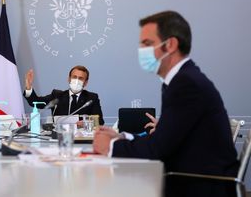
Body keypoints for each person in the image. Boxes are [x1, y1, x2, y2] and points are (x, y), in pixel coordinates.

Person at [93, 11, 238, 178]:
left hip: (201, 185)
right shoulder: (180, 79)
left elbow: (158, 148)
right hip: (188, 177)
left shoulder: (187, 84)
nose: (141, 50)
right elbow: (163, 139)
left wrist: (111, 147)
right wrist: (122, 137)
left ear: (170, 45)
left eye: (147, 43)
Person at [23, 65, 104, 125]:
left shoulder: (91, 98)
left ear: (85, 83)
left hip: (81, 138)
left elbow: (100, 121)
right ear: (69, 79)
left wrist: (86, 123)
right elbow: (34, 102)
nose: (77, 80)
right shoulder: (57, 95)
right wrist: (28, 86)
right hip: (58, 137)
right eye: (74, 77)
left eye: (80, 78)